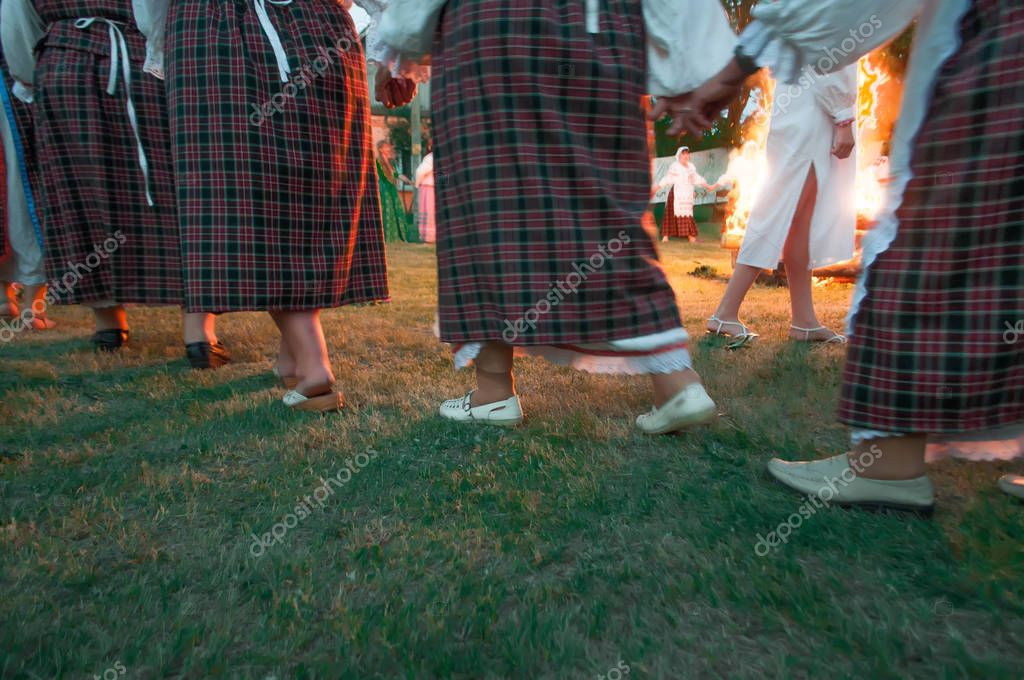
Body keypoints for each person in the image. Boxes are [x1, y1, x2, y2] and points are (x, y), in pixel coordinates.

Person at [655, 0, 1023, 511]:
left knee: (920, 231)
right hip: (817, 106)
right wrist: (836, 110)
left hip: (987, 59)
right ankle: (738, 315)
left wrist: (733, 73)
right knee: (801, 214)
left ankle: (887, 458)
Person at [377, 0, 738, 433]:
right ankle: (676, 382)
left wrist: (394, 47)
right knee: (603, 205)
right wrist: (693, 63)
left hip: (487, 29)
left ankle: (493, 392)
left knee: (485, 211)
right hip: (599, 26)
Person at [162, 0, 390, 409]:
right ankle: (293, 358)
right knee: (311, 198)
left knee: (247, 201)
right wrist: (395, 50)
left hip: (215, 31)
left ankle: (314, 366)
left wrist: (159, 42)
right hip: (321, 26)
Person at [0, 0, 226, 367]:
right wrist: (164, 56)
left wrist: (30, 75)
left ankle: (109, 324)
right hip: (141, 62)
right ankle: (198, 333)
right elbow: (153, 10)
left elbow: (16, 24)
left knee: (84, 193)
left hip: (62, 67)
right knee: (179, 192)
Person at [706, 65, 857, 348]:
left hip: (801, 105)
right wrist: (843, 117)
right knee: (779, 212)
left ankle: (804, 320)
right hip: (813, 113)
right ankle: (725, 312)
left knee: (799, 221)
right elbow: (830, 55)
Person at [0, 39, 52, 331]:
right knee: (28, 184)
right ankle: (33, 307)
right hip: (17, 76)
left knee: (12, 185)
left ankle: (4, 298)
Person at [653, 146, 715, 243]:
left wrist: (708, 186)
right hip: (676, 194)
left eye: (687, 154)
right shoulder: (675, 166)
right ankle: (665, 237)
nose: (686, 156)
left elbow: (697, 179)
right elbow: (667, 178)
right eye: (683, 154)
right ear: (679, 155)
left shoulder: (691, 167)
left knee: (688, 215)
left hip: (687, 194)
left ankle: (691, 237)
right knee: (670, 214)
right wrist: (657, 187)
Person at [376, 140, 417, 243]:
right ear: (380, 149)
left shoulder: (392, 162)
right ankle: (386, 236)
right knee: (386, 209)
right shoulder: (377, 162)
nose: (388, 149)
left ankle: (398, 235)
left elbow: (397, 174)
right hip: (383, 189)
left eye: (388, 147)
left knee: (396, 209)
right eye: (386, 147)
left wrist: (408, 181)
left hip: (392, 188)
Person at [414, 151, 436, 243]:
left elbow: (419, 172)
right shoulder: (436, 156)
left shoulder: (431, 157)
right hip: (433, 186)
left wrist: (417, 183)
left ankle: (429, 236)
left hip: (429, 187)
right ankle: (431, 236)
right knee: (431, 211)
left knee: (428, 210)